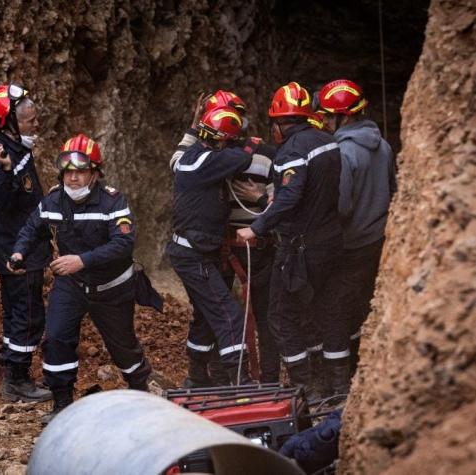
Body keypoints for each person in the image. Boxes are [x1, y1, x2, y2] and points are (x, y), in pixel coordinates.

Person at [10, 134, 152, 424]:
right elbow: (31, 228)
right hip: (71, 284)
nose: (73, 178)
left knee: (123, 346)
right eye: (68, 172)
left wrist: (82, 260)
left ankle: (142, 394)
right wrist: (18, 253)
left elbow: (123, 244)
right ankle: (62, 404)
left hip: (111, 287)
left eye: (81, 172)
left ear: (95, 173)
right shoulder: (53, 200)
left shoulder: (113, 202)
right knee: (57, 339)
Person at [236, 82, 350, 398]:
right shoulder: (328, 141)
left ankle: (307, 390)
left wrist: (255, 228)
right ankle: (337, 388)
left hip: (301, 248)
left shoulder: (292, 151)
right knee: (326, 311)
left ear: (279, 123)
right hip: (332, 241)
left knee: (281, 316)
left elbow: (289, 198)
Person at [170, 91, 281, 385]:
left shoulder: (190, 157)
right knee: (229, 316)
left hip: (228, 249)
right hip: (208, 251)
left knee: (209, 316)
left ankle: (199, 379)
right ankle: (238, 382)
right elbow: (240, 159)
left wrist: (194, 126)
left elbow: (283, 203)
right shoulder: (224, 159)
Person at [318, 79, 396, 375]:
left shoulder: (343, 152)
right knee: (364, 306)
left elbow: (342, 207)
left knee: (336, 308)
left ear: (345, 116)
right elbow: (392, 190)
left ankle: (340, 380)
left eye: (328, 115)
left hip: (350, 244)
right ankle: (363, 368)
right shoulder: (384, 146)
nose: (324, 121)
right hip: (377, 240)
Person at [0, 84, 52, 402]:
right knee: (25, 314)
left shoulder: (18, 149)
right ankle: (16, 380)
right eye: (29, 121)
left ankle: (18, 374)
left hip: (28, 246)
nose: (36, 126)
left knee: (25, 311)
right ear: (9, 123)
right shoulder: (1, 155)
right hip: (16, 251)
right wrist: (8, 170)